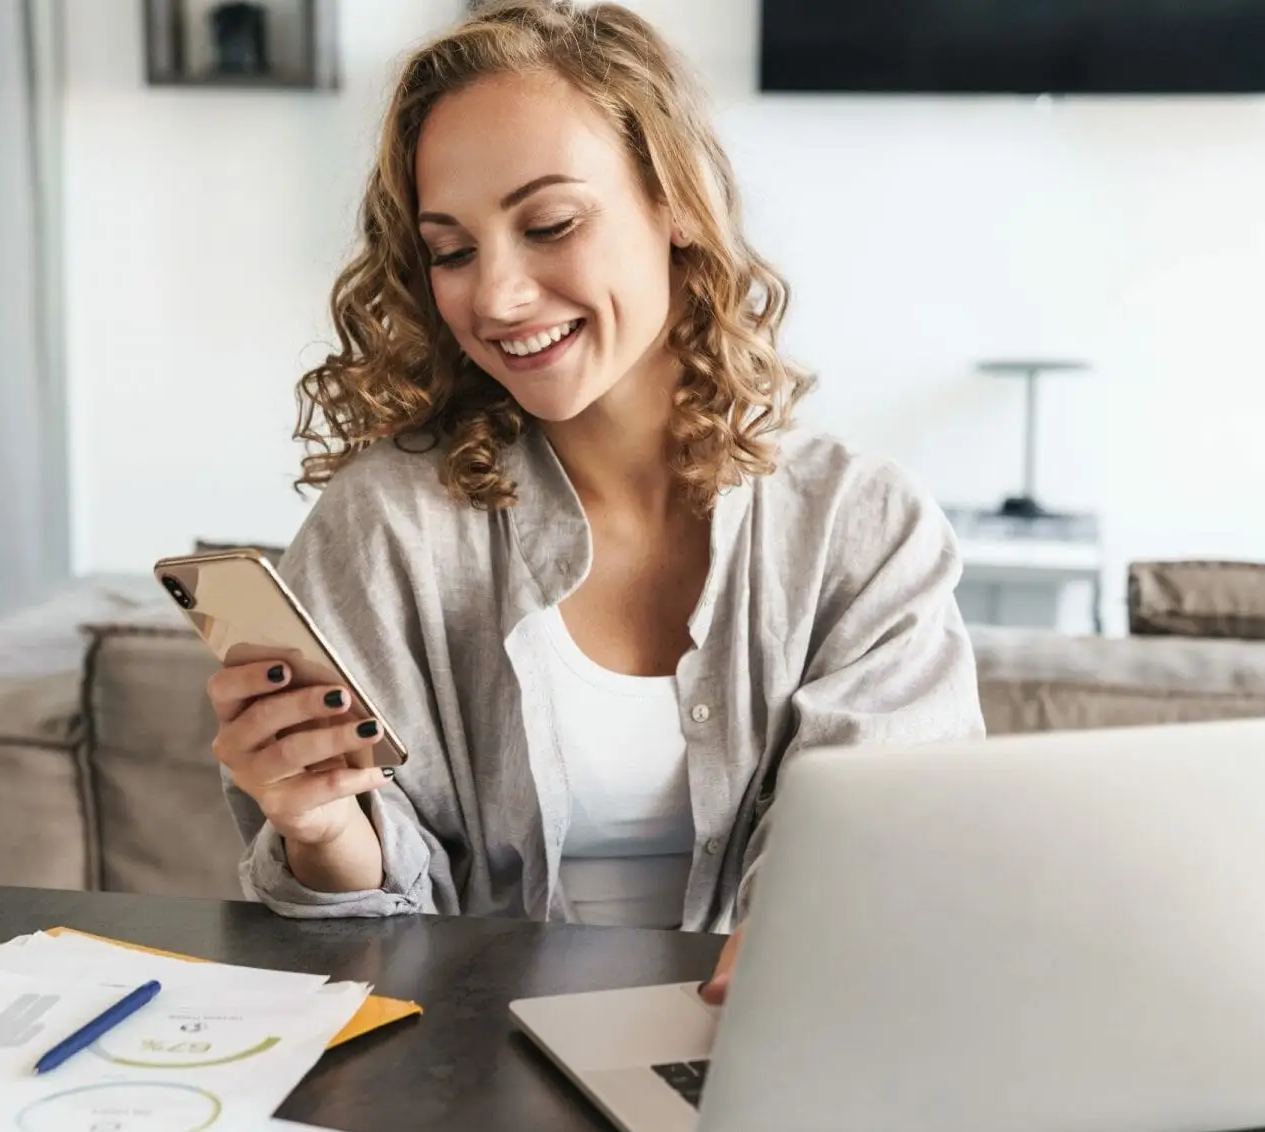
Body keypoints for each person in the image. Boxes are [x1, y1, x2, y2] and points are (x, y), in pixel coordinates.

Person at [207, 0, 983, 1001]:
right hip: (465, 1072)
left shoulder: (859, 529)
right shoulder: (385, 527)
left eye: (550, 225)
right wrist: (321, 830)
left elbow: (892, 853)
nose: (496, 297)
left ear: (679, 209)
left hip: (755, 1058)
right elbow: (358, 952)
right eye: (452, 250)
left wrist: (814, 931)